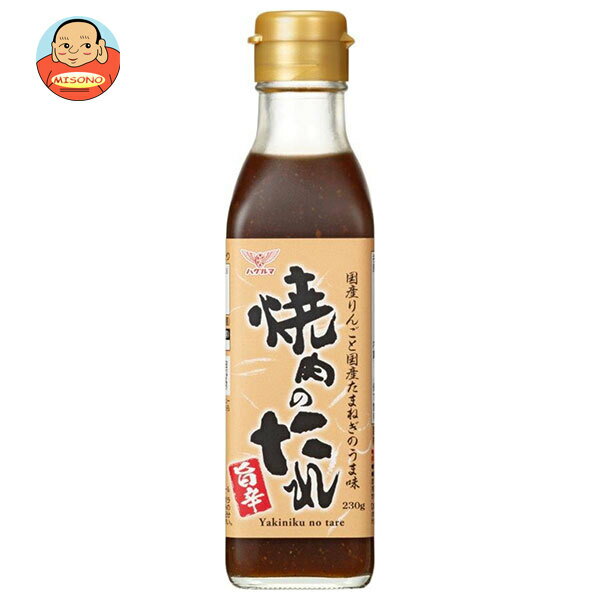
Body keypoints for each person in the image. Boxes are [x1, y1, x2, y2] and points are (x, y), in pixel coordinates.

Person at [37, 19, 120, 100]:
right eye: (66, 45)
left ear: (100, 47)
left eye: (87, 45)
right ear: (54, 47)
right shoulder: (44, 66)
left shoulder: (113, 61)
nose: (73, 51)